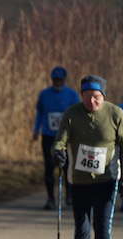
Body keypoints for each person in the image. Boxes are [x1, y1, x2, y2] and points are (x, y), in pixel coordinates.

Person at [53, 75, 123, 239]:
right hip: (79, 181)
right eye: (88, 97)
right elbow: (60, 139)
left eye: (97, 97)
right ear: (82, 95)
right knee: (82, 227)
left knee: (102, 225)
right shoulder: (71, 114)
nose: (92, 102)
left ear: (103, 96)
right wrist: (59, 152)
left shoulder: (115, 114)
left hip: (107, 180)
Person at [33, 66, 80, 209]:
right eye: (55, 80)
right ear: (52, 79)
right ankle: (50, 198)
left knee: (66, 167)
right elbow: (40, 113)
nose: (57, 82)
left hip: (66, 136)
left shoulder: (72, 95)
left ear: (64, 80)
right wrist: (36, 129)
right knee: (49, 167)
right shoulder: (44, 94)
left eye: (60, 80)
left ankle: (69, 196)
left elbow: (77, 114)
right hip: (48, 135)